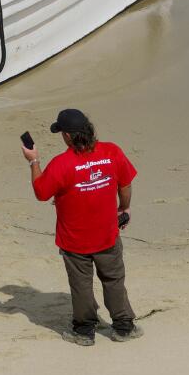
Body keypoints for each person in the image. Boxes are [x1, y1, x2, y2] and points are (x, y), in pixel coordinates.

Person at [22, 108, 141, 346]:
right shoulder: (111, 151)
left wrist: (34, 161)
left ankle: (84, 331)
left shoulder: (62, 164)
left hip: (75, 240)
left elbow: (41, 192)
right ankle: (124, 326)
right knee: (114, 279)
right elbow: (125, 183)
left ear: (67, 136)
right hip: (107, 234)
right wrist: (124, 207)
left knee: (81, 285)